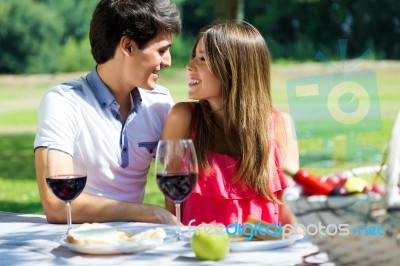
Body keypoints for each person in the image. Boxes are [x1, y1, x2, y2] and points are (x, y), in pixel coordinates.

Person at [34, 0, 181, 225]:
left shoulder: (160, 103)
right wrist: (148, 213)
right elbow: (57, 205)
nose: (168, 62)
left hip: (136, 245)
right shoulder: (64, 102)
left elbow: (184, 177)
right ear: (128, 46)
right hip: (78, 245)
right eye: (161, 50)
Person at [161, 22, 299, 226]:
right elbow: (173, 211)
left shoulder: (280, 124)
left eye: (203, 59)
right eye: (193, 57)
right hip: (199, 254)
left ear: (234, 69)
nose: (189, 66)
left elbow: (290, 213)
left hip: (266, 253)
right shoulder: (182, 118)